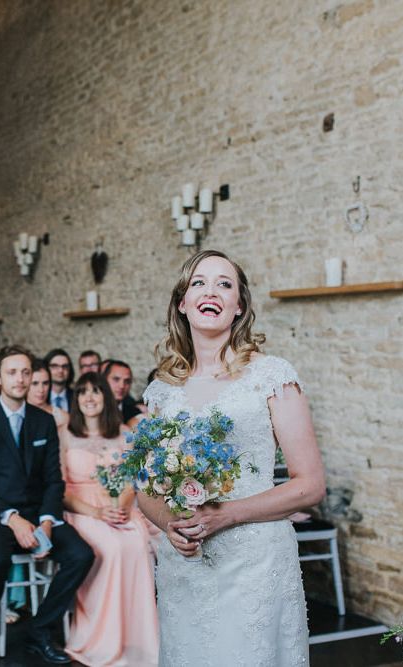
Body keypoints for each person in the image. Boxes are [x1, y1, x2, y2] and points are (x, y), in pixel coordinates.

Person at [139, 249, 326, 666]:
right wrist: (172, 525)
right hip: (184, 566)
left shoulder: (272, 376)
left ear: (239, 306)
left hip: (255, 562)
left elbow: (310, 485)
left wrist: (226, 515)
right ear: (183, 303)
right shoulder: (162, 391)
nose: (212, 291)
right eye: (199, 283)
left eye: (225, 284)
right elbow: (145, 489)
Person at [0, 345, 94, 667]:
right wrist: (13, 519)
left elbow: (53, 479)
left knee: (81, 555)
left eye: (25, 372)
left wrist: (47, 519)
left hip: (39, 513)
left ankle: (40, 629)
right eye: (12, 372)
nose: (20, 379)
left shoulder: (43, 421)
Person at [60, 372, 159, 666]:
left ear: (106, 397)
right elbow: (59, 487)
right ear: (76, 399)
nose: (89, 398)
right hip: (81, 509)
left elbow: (133, 479)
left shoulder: (121, 433)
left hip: (119, 506)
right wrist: (97, 513)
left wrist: (121, 506)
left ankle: (135, 639)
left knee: (137, 542)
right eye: (82, 392)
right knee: (112, 546)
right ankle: (99, 637)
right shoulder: (64, 433)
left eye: (96, 391)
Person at [27, 359, 69, 428]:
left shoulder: (62, 418)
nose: (41, 389)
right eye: (35, 383)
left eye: (45, 383)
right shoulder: (17, 415)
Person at [103, 359, 142, 425]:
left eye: (127, 381)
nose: (122, 386)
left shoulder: (134, 413)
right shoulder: (92, 410)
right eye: (116, 379)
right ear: (104, 380)